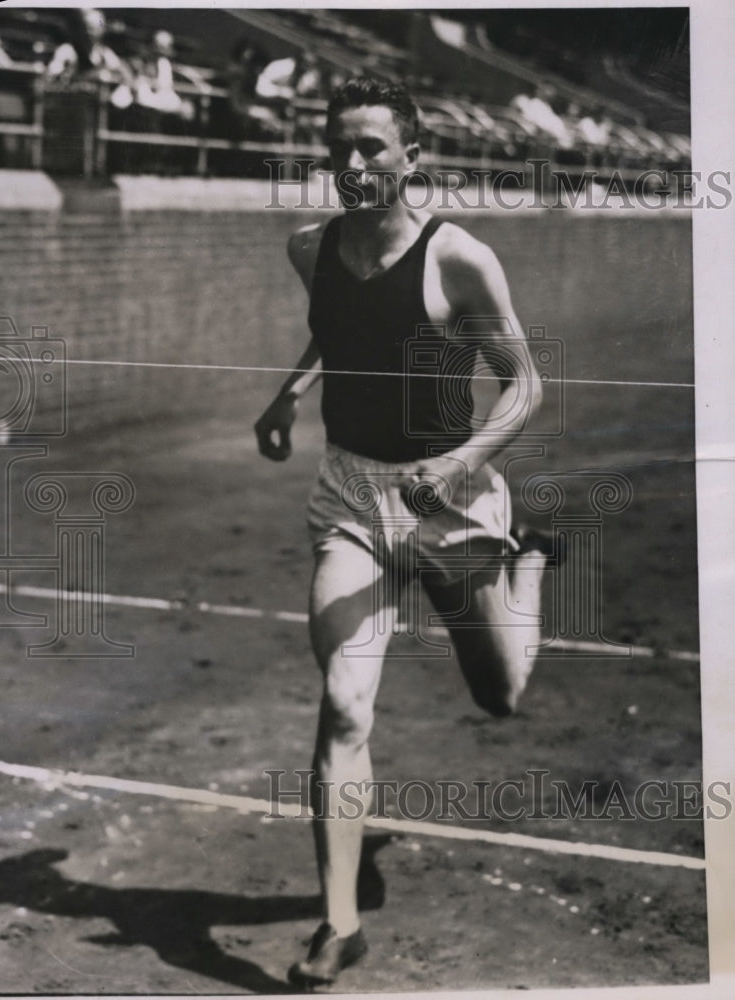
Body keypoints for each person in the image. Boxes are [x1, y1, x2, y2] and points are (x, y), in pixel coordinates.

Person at [254, 77, 557, 989]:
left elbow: (527, 385)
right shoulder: (308, 248)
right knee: (345, 709)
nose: (352, 165)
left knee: (498, 696)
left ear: (411, 157)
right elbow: (336, 336)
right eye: (338, 148)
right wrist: (289, 393)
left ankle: (531, 559)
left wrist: (460, 466)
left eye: (372, 149)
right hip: (348, 494)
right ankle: (339, 924)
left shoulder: (457, 258)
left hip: (449, 503)